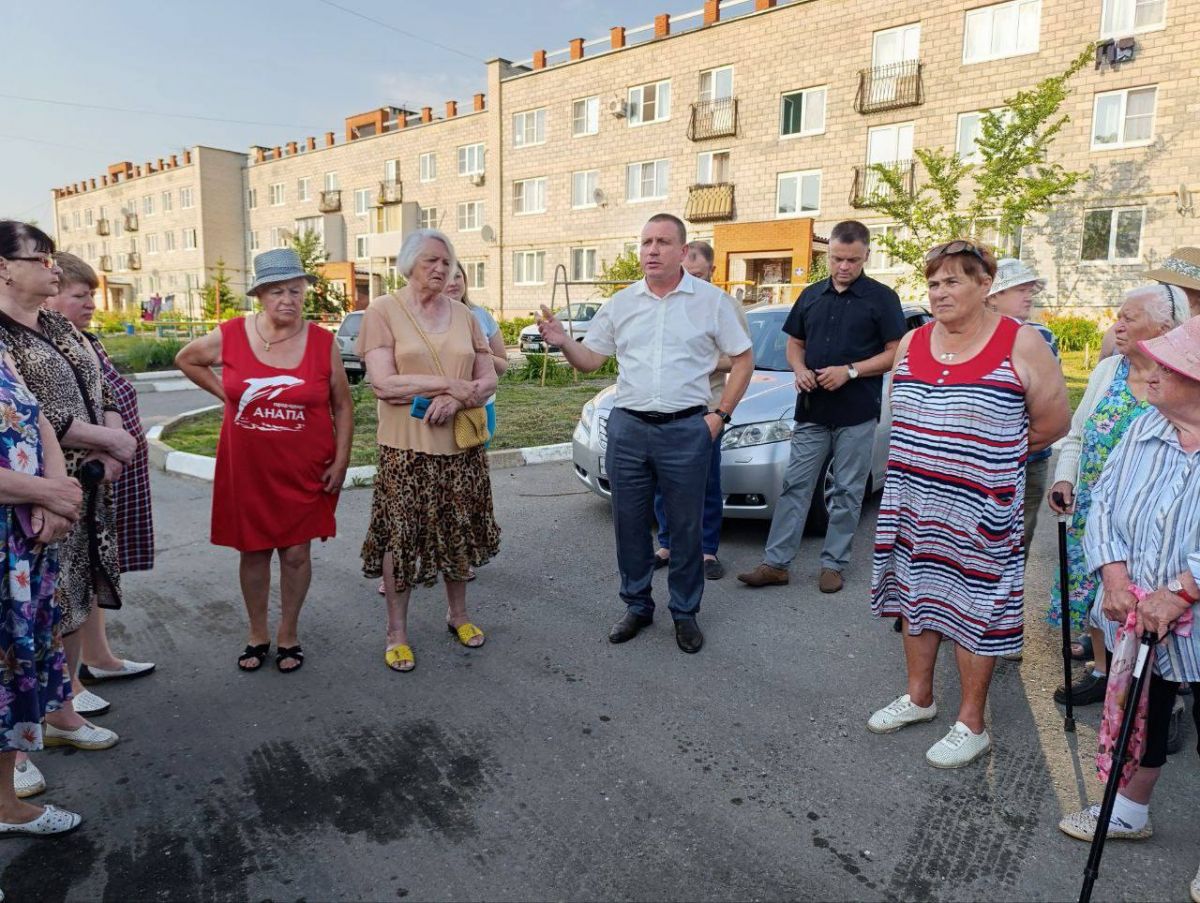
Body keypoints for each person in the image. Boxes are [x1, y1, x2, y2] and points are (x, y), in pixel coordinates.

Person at [867, 240, 1069, 768]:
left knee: (976, 607)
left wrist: (983, 461)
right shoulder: (911, 342)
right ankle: (919, 698)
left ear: (986, 286)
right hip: (914, 502)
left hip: (980, 508)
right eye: (934, 282)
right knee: (917, 595)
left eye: (954, 280)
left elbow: (1052, 422)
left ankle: (971, 723)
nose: (940, 291)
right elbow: (903, 410)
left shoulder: (1019, 342)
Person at [539, 214, 753, 654]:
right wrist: (563, 340)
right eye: (645, 242)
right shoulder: (621, 304)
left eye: (662, 242)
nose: (651, 250)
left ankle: (684, 612)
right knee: (630, 525)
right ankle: (637, 605)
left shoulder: (711, 302)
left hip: (686, 430)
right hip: (629, 430)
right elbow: (591, 361)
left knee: (686, 527)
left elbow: (743, 359)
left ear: (681, 250)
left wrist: (720, 416)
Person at [1056, 316, 1200, 903]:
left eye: (1157, 366)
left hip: (1187, 616)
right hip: (1139, 617)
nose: (1144, 374)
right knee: (1144, 712)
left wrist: (1184, 588)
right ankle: (1129, 810)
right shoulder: (1144, 427)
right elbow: (1107, 501)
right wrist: (1112, 576)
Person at [176, 248, 353, 673]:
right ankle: (257, 632)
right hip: (248, 469)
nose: (289, 299)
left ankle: (288, 632)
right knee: (253, 552)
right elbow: (187, 359)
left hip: (305, 468)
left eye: (296, 290)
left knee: (295, 553)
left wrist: (342, 460)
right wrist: (226, 395)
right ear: (260, 296)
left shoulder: (323, 342)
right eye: (278, 291)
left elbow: (343, 406)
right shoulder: (232, 335)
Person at [0, 221, 124, 753]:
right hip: (27, 502)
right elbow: (34, 410)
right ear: (4, 268)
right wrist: (104, 445)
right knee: (18, 625)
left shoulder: (58, 325)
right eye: (41, 258)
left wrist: (112, 441)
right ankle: (16, 751)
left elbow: (100, 383)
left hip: (75, 486)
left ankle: (59, 713)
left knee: (62, 604)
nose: (53, 267)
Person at [357, 230, 499, 673]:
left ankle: (458, 615)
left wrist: (459, 399)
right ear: (409, 263)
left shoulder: (465, 315)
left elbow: (489, 378)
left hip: (460, 446)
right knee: (401, 539)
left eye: (447, 261)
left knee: (458, 530)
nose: (440, 269)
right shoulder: (382, 311)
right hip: (406, 449)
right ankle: (396, 631)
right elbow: (384, 383)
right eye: (430, 260)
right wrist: (448, 384)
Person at [738, 220, 906, 594]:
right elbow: (795, 343)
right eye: (836, 259)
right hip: (813, 410)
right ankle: (776, 564)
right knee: (795, 486)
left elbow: (895, 353)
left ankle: (833, 564)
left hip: (857, 413)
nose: (843, 267)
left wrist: (850, 371)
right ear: (828, 255)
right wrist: (798, 370)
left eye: (852, 260)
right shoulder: (812, 295)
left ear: (866, 256)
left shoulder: (882, 298)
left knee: (847, 490)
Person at [1047, 284, 1187, 706]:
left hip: (1154, 522)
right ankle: (1104, 672)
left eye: (1129, 318)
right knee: (1094, 594)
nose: (1117, 326)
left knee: (1150, 602)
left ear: (1164, 326)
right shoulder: (1108, 371)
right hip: (1092, 510)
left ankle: (1166, 696)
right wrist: (1065, 478)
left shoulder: (1181, 379)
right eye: (1118, 316)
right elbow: (1078, 433)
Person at [0, 232, 83, 836]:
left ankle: (6, 805)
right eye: (39, 259)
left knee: (13, 670)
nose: (50, 269)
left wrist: (57, 491)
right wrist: (44, 493)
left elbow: (35, 419)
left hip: (21, 546)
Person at [45, 253, 155, 698]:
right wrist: (109, 441)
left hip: (101, 476)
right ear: (52, 296)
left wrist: (114, 441)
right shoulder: (37, 346)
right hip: (69, 476)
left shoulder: (87, 340)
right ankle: (64, 689)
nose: (91, 302)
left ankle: (98, 658)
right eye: (80, 294)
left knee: (91, 571)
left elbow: (108, 394)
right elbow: (48, 415)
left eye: (92, 293)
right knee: (63, 583)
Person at [651, 241, 748, 581]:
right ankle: (667, 544)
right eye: (686, 273)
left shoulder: (724, 306)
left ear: (712, 271)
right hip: (667, 409)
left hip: (706, 409)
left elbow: (739, 359)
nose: (691, 280)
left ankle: (707, 550)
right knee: (663, 483)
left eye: (698, 274)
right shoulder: (670, 305)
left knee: (706, 483)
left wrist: (698, 359)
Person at [985, 258, 1059, 559]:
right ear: (992, 296)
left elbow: (1051, 406)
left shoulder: (1042, 338)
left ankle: (1007, 602)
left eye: (1031, 289)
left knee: (1018, 541)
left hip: (1030, 459)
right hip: (979, 462)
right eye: (1020, 289)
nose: (1029, 296)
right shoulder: (968, 338)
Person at [1099, 246, 1200, 359]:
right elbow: (1101, 374)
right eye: (1162, 284)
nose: (1165, 292)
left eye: (1174, 287)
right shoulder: (1121, 331)